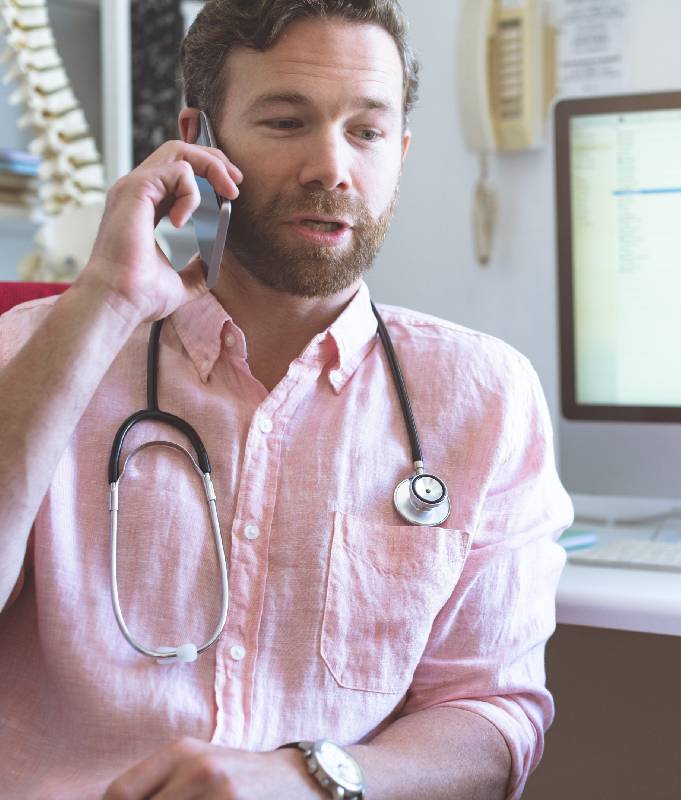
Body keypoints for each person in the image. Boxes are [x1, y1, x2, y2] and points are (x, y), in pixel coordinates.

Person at [0, 0, 572, 797]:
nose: (332, 168)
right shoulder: (34, 350)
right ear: (198, 142)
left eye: (366, 132)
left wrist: (314, 779)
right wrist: (106, 296)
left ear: (399, 152)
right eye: (285, 122)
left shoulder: (484, 399)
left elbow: (492, 713)